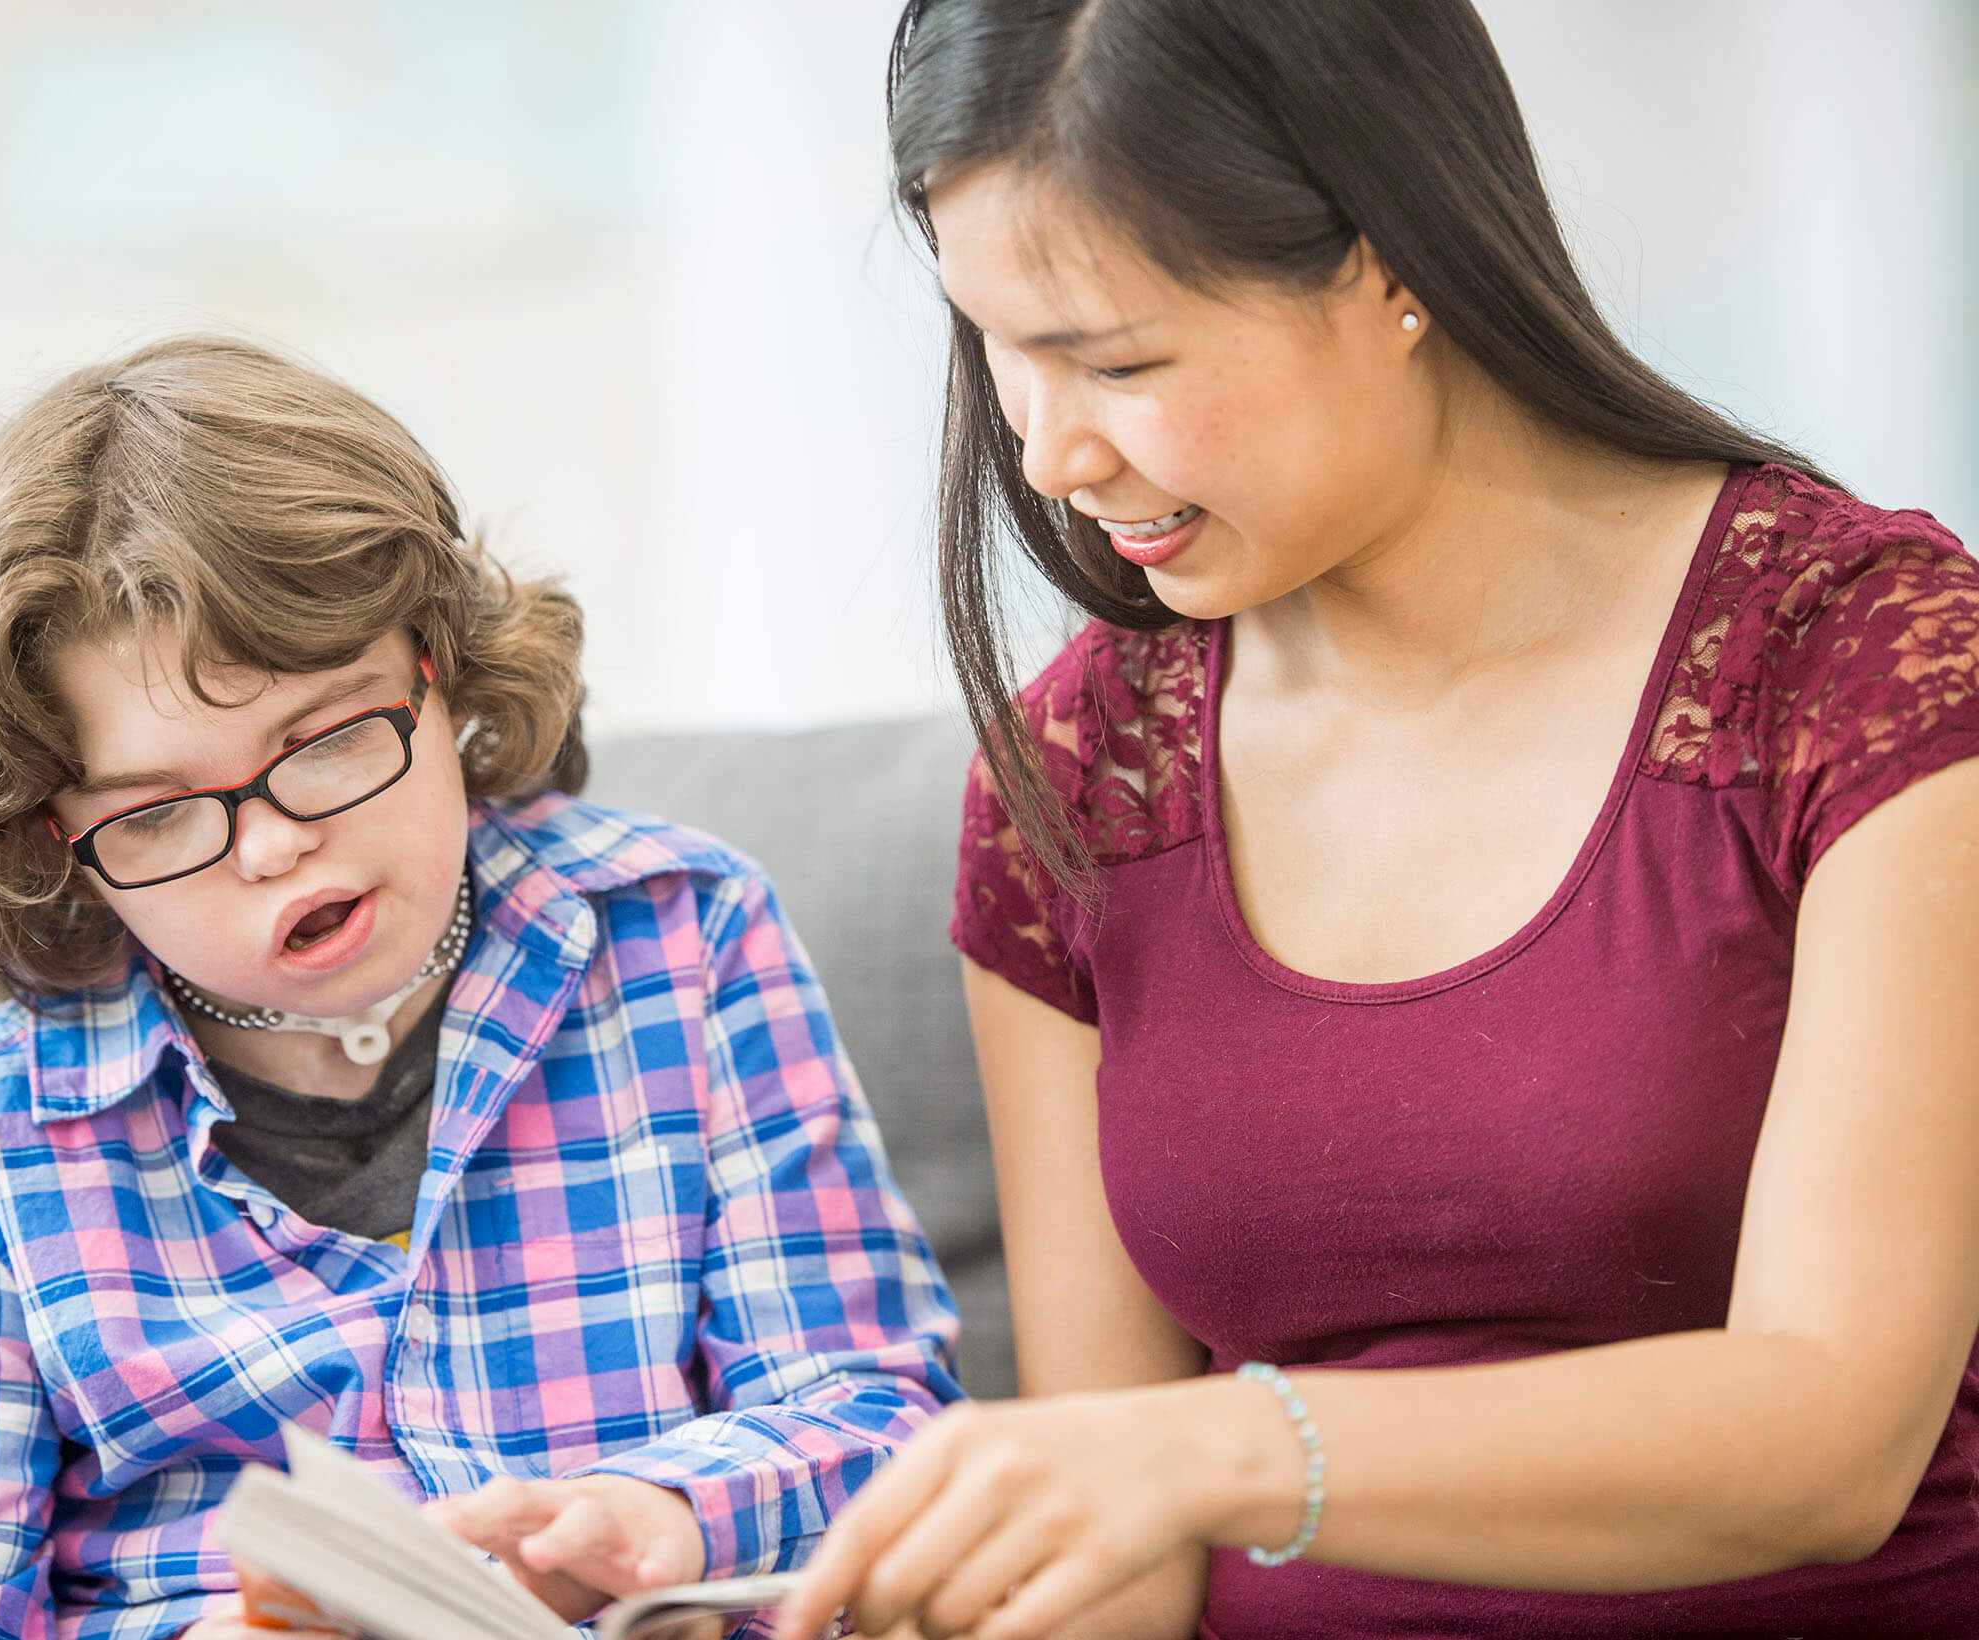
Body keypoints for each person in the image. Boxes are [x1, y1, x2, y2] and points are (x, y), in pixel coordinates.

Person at [772, 2, 1979, 1638]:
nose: (1050, 454)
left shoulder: (1865, 661)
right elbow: (1117, 1562)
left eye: (1119, 359)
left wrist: (1220, 1444)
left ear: (1390, 260)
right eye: (999, 343)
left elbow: (1829, 1437)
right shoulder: (1080, 772)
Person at [0, 335, 958, 1640]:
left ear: (438, 675)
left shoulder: (683, 939)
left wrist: (664, 1514)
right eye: (158, 814)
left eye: (328, 741)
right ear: (62, 844)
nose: (275, 844)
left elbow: (880, 1411)